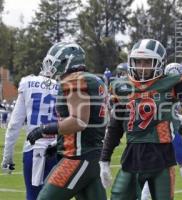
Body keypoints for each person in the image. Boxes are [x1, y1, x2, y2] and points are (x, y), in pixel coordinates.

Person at [100, 38, 182, 200]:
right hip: (132, 158)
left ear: (159, 64)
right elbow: (115, 127)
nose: (142, 67)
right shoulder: (122, 87)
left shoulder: (169, 84)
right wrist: (104, 159)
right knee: (118, 196)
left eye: (148, 62)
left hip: (161, 158)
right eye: (139, 62)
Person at [26, 42, 108, 200]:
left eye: (53, 62)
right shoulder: (95, 80)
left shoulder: (74, 80)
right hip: (90, 156)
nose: (51, 67)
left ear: (66, 61)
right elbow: (93, 123)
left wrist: (44, 129)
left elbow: (79, 121)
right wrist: (60, 144)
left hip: (77, 158)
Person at [141, 63, 182, 200]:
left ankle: (144, 196)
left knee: (156, 167)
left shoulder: (164, 92)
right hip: (170, 134)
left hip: (160, 134)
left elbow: (180, 111)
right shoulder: (169, 92)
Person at [1, 63, 58, 200]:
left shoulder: (27, 83)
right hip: (56, 148)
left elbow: (14, 125)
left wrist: (7, 157)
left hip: (33, 148)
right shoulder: (61, 86)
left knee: (33, 196)